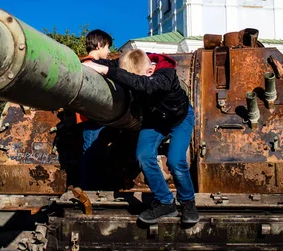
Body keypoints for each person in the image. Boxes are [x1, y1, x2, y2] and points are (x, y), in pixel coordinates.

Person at [83, 49, 199, 224]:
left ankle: (188, 202)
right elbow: (113, 64)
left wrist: (108, 72)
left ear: (150, 71)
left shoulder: (165, 74)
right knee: (144, 156)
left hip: (179, 118)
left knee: (176, 161)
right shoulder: (133, 61)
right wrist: (87, 65)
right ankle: (165, 202)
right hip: (154, 120)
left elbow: (145, 85)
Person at [78, 29, 113, 189]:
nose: (109, 51)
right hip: (92, 118)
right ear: (99, 45)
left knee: (96, 153)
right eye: (107, 47)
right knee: (91, 154)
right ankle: (89, 189)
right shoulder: (89, 65)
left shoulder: (84, 64)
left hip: (95, 118)